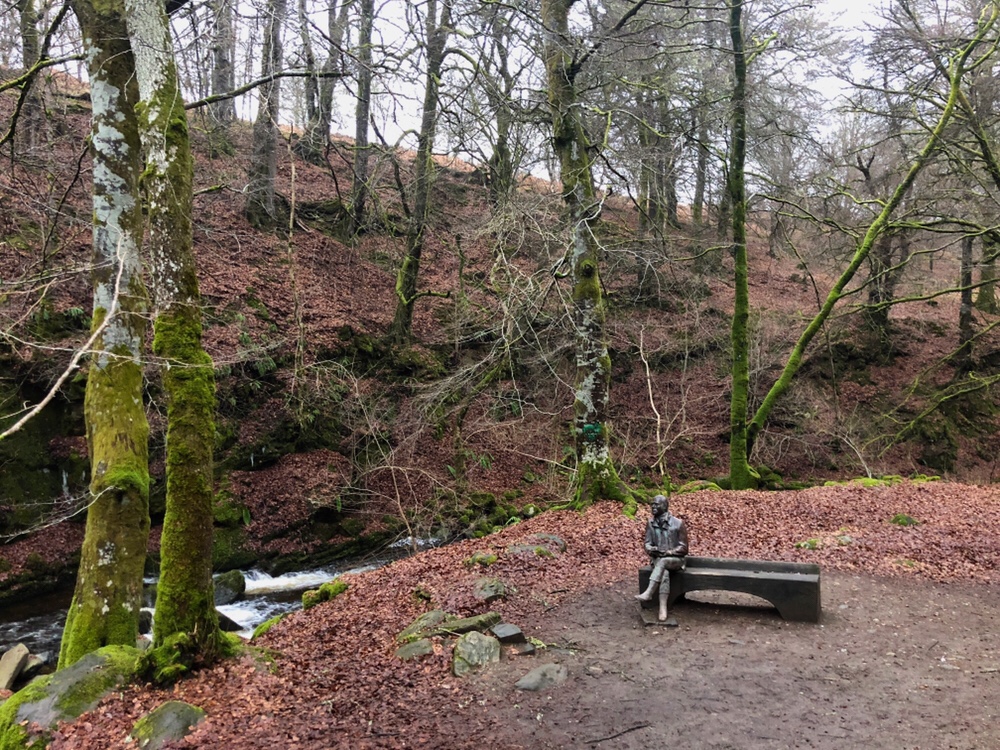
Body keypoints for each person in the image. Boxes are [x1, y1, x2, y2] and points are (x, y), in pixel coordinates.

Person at [635, 494, 688, 621]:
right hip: (658, 560)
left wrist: (669, 552)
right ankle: (663, 608)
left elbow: (684, 548)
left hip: (675, 560)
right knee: (663, 571)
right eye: (652, 504)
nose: (653, 506)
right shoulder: (650, 523)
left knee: (663, 562)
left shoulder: (678, 523)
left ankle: (649, 593)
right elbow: (647, 543)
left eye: (656, 504)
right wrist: (650, 549)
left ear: (664, 506)